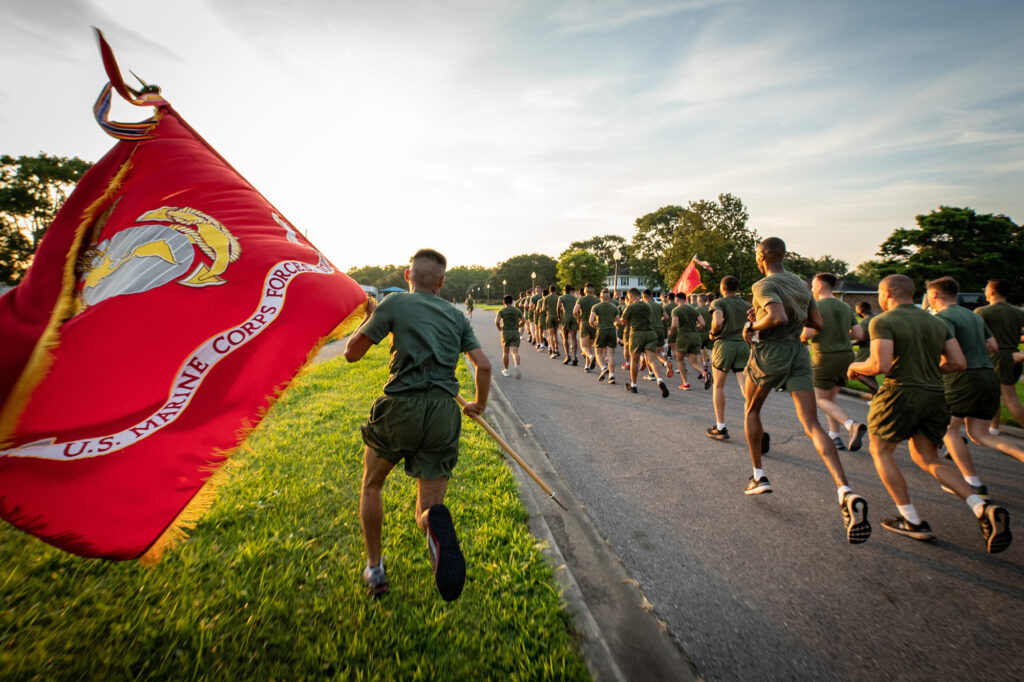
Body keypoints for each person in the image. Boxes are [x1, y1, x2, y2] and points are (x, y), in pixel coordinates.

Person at [344, 248, 492, 598]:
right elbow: (483, 366)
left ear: (406, 276)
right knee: (428, 510)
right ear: (442, 282)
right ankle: (431, 525)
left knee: (372, 485)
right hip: (443, 414)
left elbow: (352, 353)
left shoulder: (394, 304)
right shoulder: (456, 316)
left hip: (400, 408)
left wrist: (371, 319)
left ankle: (375, 569)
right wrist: (478, 404)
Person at [848, 274, 1011, 553]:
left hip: (900, 393)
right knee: (928, 457)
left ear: (888, 293)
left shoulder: (883, 321)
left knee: (881, 451)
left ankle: (911, 519)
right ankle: (981, 508)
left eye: (880, 294)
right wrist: (930, 373)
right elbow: (958, 362)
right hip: (936, 396)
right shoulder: (937, 322)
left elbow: (880, 364)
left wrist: (855, 367)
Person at [742, 237, 870, 544]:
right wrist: (768, 319)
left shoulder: (763, 284)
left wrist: (752, 327)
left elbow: (777, 317)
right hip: (798, 355)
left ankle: (758, 475)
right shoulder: (801, 284)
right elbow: (817, 322)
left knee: (752, 410)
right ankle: (845, 491)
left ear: (762, 256)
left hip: (770, 353)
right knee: (812, 425)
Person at [926, 277, 1024, 482]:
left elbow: (943, 349)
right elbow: (993, 346)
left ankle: (973, 483)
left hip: (963, 379)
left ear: (934, 294)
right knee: (981, 434)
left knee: (949, 429)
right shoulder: (974, 317)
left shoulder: (943, 318)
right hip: (988, 374)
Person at [800, 273, 868, 452]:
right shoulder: (845, 307)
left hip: (825, 357)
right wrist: (841, 335)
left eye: (813, 286)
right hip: (847, 356)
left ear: (821, 286)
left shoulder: (815, 306)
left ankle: (851, 425)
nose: (812, 289)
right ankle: (835, 436)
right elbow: (859, 334)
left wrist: (803, 339)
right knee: (830, 398)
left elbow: (806, 334)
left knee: (820, 398)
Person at [706, 276, 751, 440]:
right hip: (743, 345)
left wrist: (713, 333)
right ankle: (754, 426)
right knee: (746, 389)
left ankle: (720, 427)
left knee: (718, 386)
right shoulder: (746, 304)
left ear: (722, 288)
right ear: (736, 288)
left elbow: (717, 321)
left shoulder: (718, 302)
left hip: (724, 345)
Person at [975, 279, 1024, 432]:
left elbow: (975, 336)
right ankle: (994, 428)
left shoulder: (983, 312)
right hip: (1013, 356)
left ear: (991, 292)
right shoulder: (1018, 312)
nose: (985, 292)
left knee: (1010, 398)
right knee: (994, 395)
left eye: (986, 289)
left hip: (997, 358)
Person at [621, 288, 670, 397]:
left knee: (634, 361)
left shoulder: (630, 306)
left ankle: (633, 385)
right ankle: (660, 381)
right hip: (650, 333)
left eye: (628, 298)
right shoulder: (647, 306)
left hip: (637, 334)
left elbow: (623, 321)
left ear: (631, 296)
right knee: (651, 360)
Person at [669, 294, 706, 390]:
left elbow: (674, 325)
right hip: (695, 336)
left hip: (683, 336)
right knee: (693, 361)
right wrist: (695, 329)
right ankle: (704, 373)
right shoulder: (694, 309)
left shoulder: (676, 310)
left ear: (677, 299)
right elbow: (703, 323)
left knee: (679, 359)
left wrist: (671, 332)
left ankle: (685, 383)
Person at [589, 288, 620, 384]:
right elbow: (618, 322)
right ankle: (612, 376)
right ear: (609, 297)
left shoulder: (596, 307)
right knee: (610, 355)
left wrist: (595, 326)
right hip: (611, 331)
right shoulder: (614, 307)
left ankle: (603, 368)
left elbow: (591, 321)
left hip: (601, 330)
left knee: (598, 352)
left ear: (600, 296)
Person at [642, 289, 673, 380]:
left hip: (650, 330)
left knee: (648, 353)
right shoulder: (658, 305)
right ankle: (666, 363)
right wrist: (660, 321)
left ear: (644, 297)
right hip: (660, 329)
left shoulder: (644, 306)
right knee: (657, 352)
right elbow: (666, 317)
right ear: (651, 296)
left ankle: (651, 374)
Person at [496, 294, 524, 379]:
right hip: (515, 332)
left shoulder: (502, 311)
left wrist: (500, 328)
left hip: (506, 332)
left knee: (506, 352)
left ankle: (506, 370)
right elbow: (524, 321)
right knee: (515, 352)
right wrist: (518, 325)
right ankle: (517, 365)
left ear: (503, 302)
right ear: (512, 302)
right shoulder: (517, 310)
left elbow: (497, 321)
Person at [574, 283, 601, 372]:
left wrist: (579, 319)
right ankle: (587, 365)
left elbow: (575, 311)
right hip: (594, 324)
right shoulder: (598, 300)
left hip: (585, 323)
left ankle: (590, 356)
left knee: (584, 346)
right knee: (589, 345)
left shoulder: (581, 299)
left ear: (585, 290)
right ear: (593, 290)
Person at [558, 284, 580, 366]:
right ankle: (574, 357)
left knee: (565, 338)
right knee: (574, 338)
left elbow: (558, 306)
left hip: (566, 317)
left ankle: (567, 356)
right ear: (570, 290)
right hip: (574, 318)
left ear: (564, 290)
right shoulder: (575, 298)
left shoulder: (561, 297)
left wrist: (558, 316)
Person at [543, 284, 561, 358]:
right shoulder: (558, 297)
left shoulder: (546, 298)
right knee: (555, 334)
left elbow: (543, 309)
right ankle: (556, 349)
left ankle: (553, 351)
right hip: (556, 316)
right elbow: (560, 307)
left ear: (549, 290)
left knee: (551, 335)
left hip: (549, 316)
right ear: (555, 290)